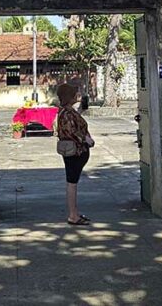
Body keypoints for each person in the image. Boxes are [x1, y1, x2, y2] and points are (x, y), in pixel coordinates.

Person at [55, 83, 94, 225]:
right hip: (75, 151)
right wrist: (85, 139)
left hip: (77, 151)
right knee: (72, 182)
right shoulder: (67, 113)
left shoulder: (68, 111)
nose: (76, 96)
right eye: (73, 94)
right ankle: (73, 215)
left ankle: (75, 213)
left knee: (72, 182)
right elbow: (71, 132)